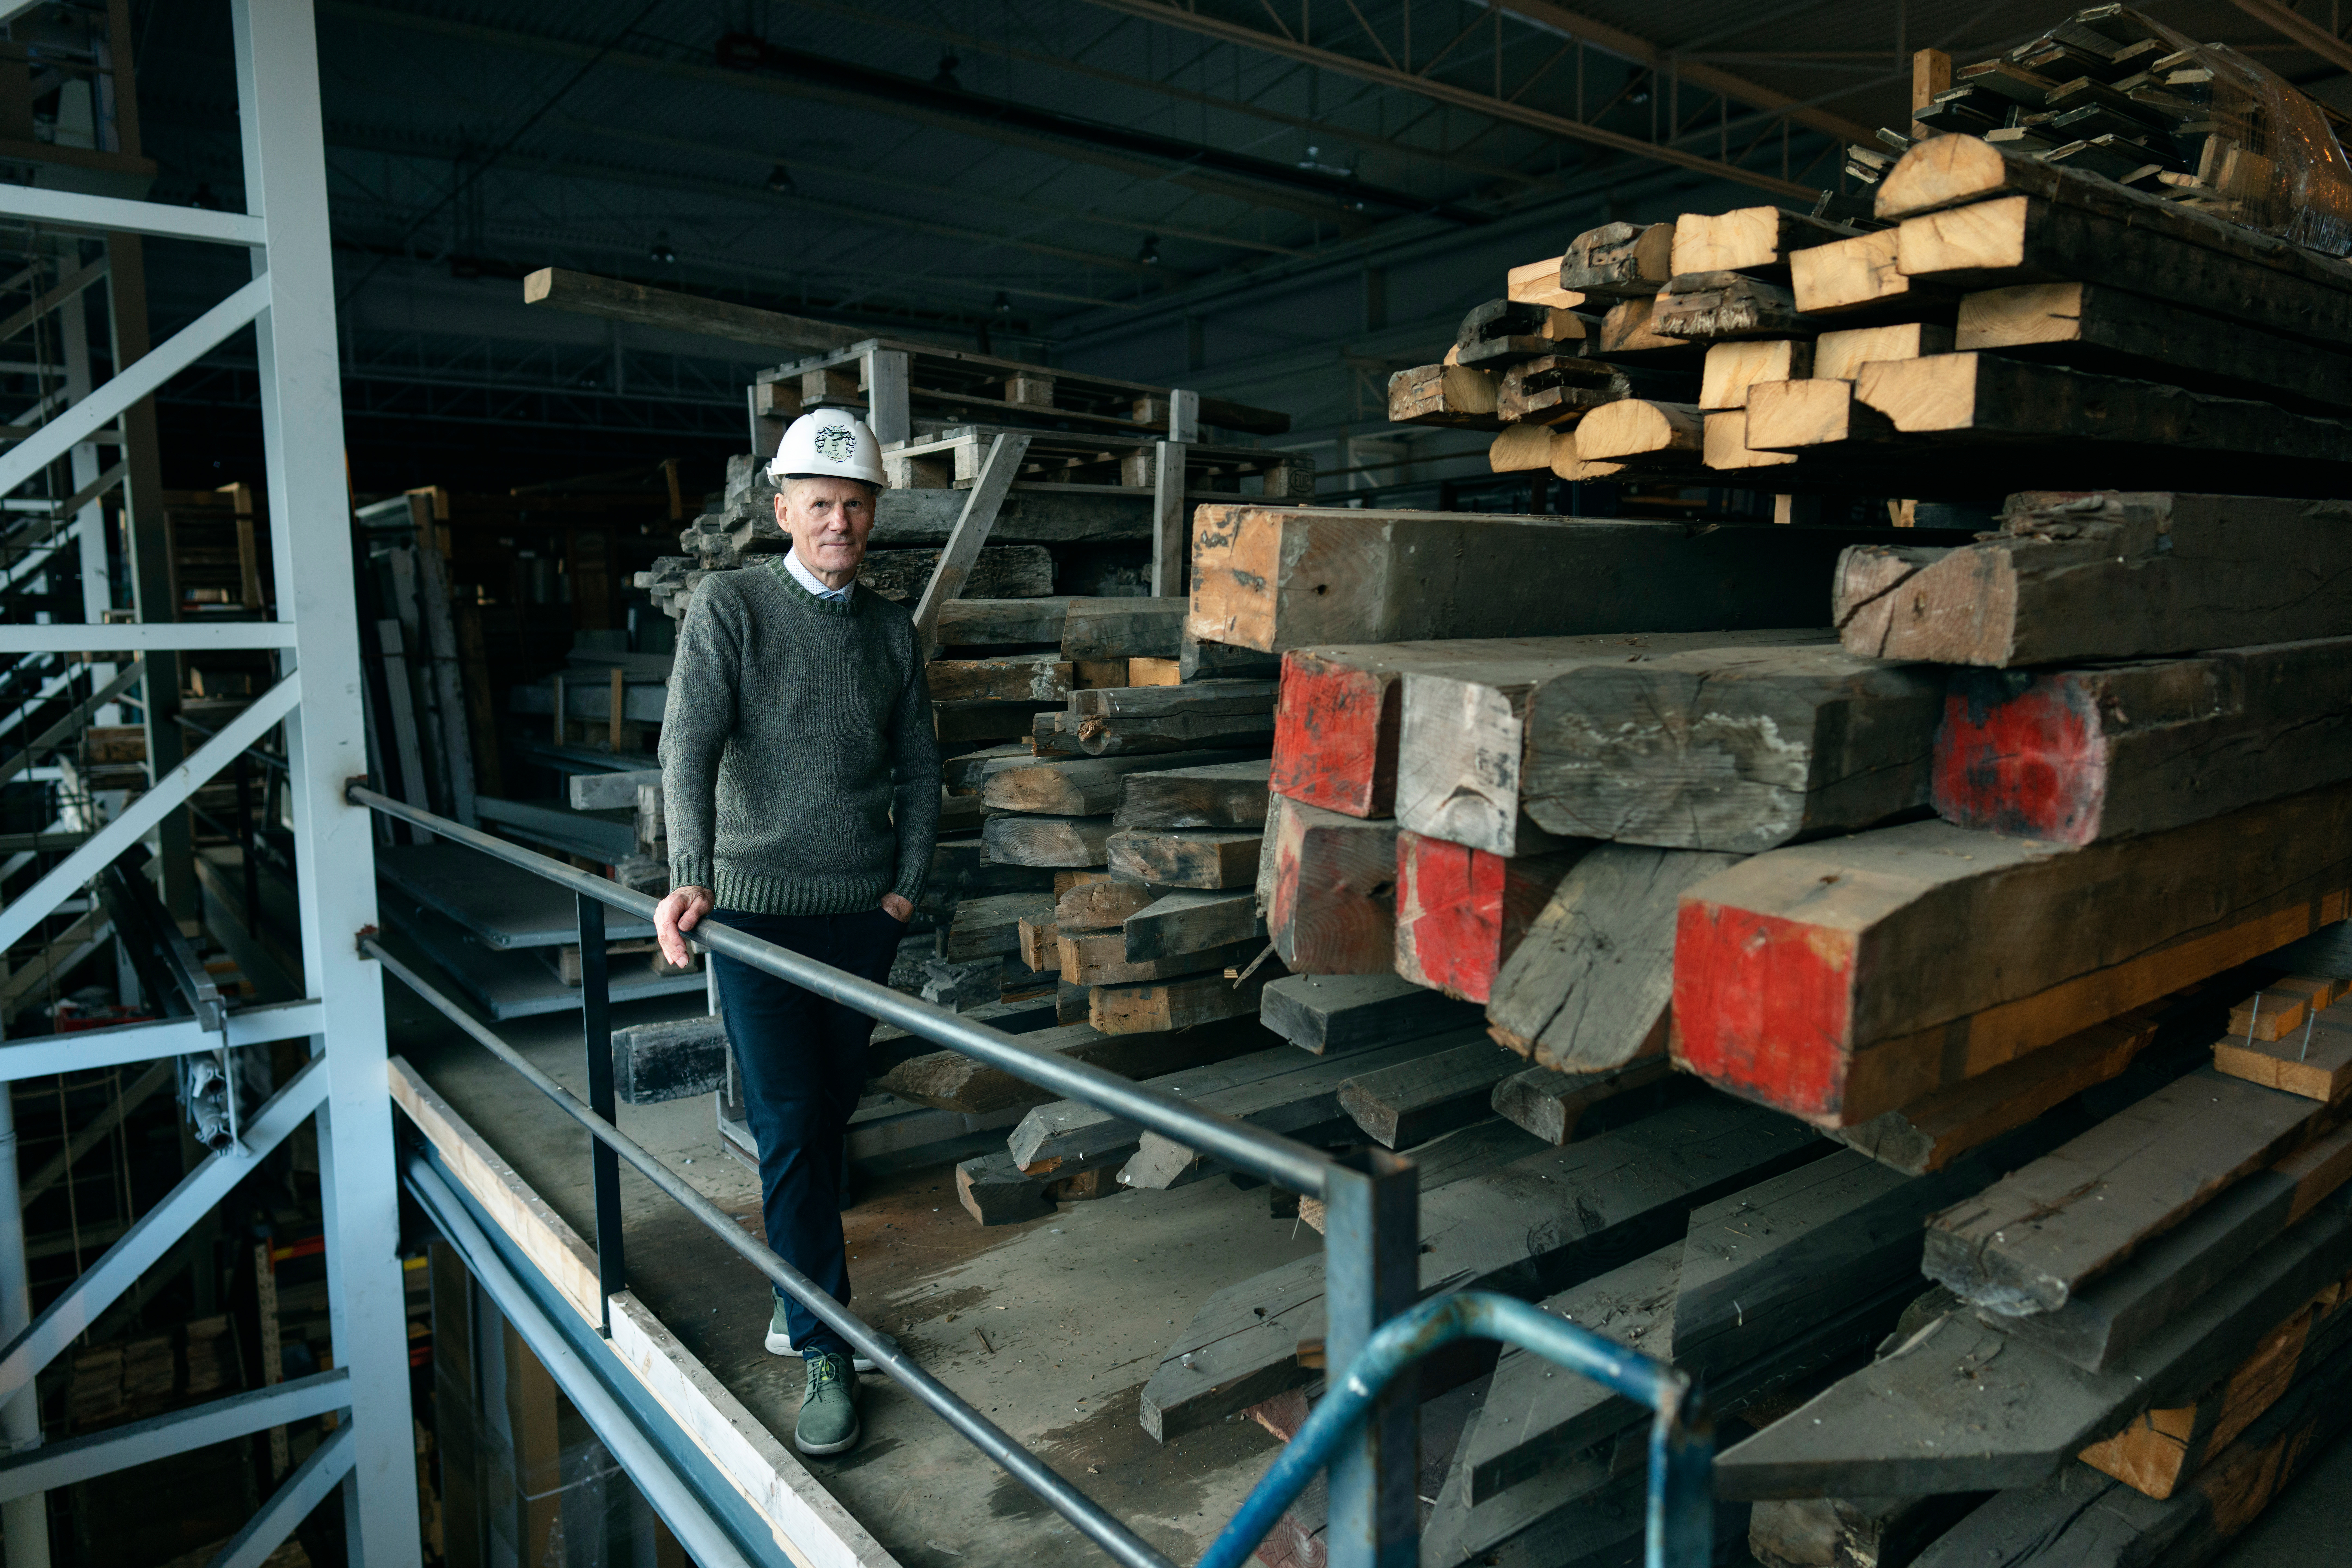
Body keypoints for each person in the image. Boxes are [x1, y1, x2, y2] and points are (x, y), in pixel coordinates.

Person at [652, 408, 938, 1456]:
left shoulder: (889, 631)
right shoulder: (730, 608)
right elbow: (687, 748)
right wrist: (690, 878)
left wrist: (905, 886)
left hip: (862, 920)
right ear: (782, 512)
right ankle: (825, 1345)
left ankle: (795, 1294)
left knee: (826, 1115)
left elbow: (918, 764)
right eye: (820, 504)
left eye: (855, 506)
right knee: (786, 1125)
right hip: (758, 922)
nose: (839, 522)